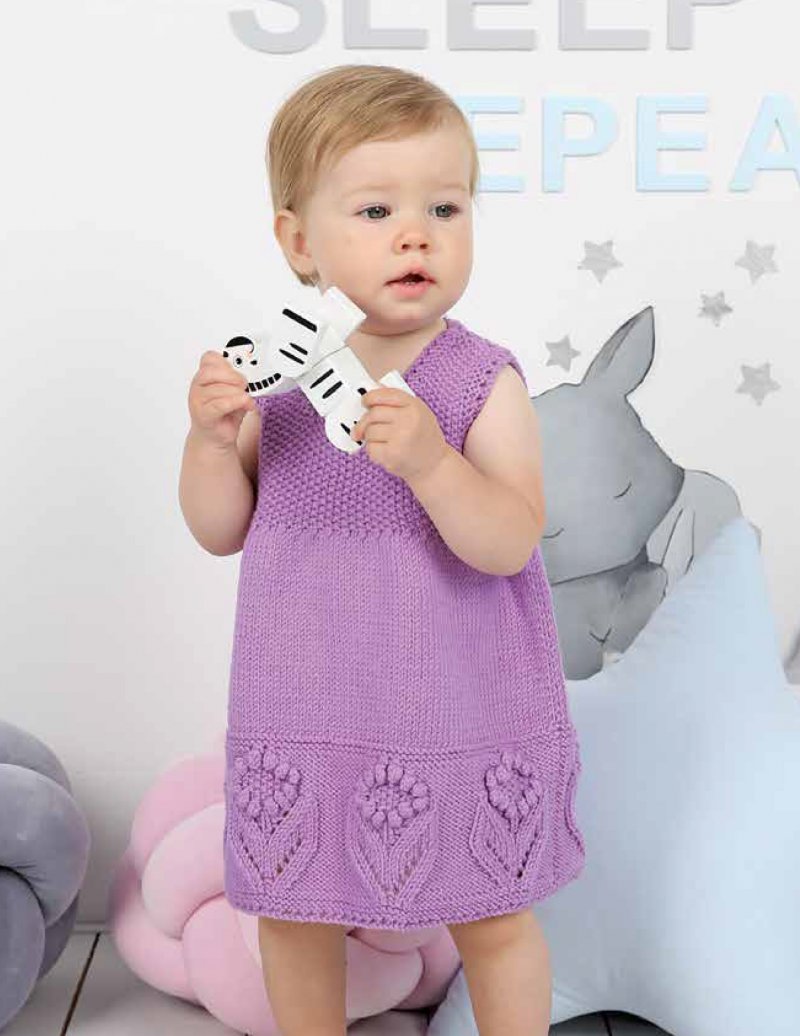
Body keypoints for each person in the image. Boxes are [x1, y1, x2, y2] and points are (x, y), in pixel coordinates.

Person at [179, 63, 585, 1036]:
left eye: (445, 207)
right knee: (294, 914)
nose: (416, 234)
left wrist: (435, 466)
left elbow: (509, 540)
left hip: (457, 713)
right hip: (309, 712)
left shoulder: (480, 381)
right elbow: (218, 528)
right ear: (299, 241)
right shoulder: (277, 382)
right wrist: (208, 441)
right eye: (374, 209)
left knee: (494, 916)